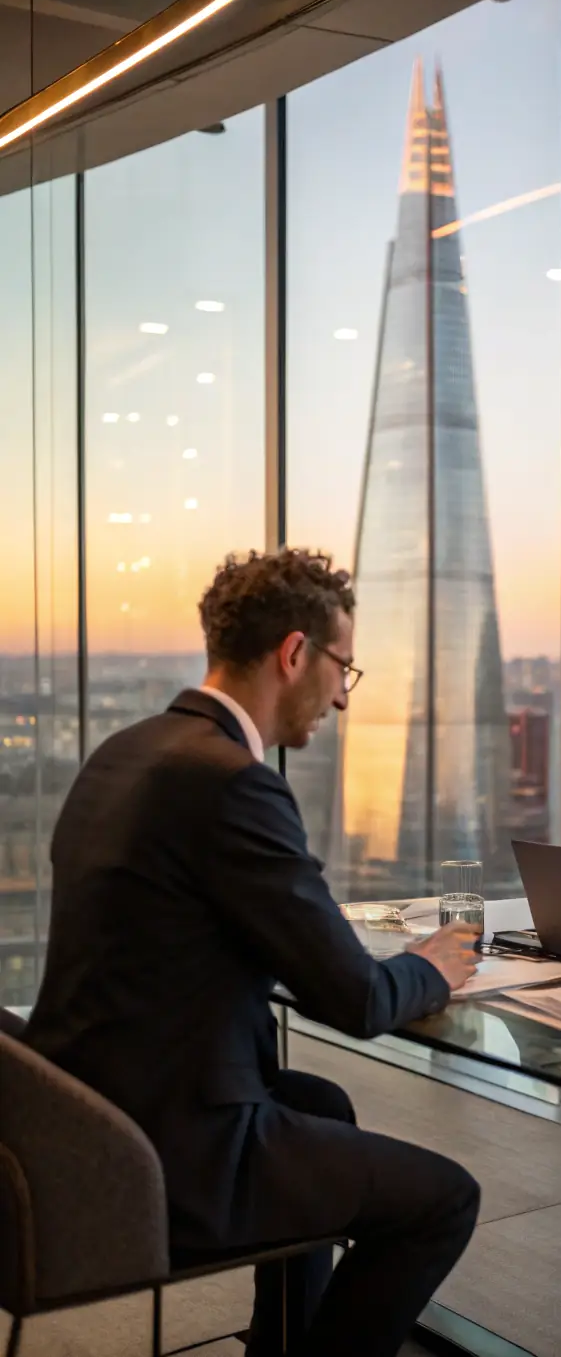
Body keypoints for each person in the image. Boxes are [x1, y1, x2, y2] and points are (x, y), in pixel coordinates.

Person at [26, 548, 482, 1357]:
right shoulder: (231, 781)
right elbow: (356, 1000)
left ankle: (279, 1342)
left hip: (80, 1115)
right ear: (295, 653)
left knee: (321, 1104)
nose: (343, 694)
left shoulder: (127, 752)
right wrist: (434, 966)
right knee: (444, 1198)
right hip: (171, 1150)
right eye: (344, 666)